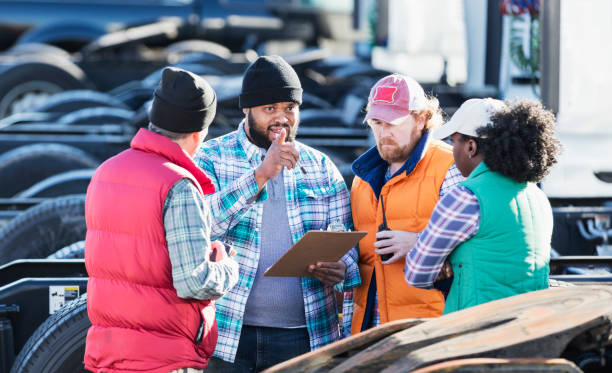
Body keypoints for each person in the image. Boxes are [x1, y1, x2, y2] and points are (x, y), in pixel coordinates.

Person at [194, 55, 360, 371]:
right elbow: (203, 226)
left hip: (305, 338)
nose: (281, 118)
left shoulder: (321, 168)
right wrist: (261, 174)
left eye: (289, 108)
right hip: (230, 336)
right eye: (269, 109)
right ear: (247, 110)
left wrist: (340, 271)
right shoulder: (211, 157)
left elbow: (347, 247)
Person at [83, 67, 239, 373]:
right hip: (163, 360)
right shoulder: (178, 185)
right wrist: (227, 266)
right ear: (199, 132)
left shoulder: (105, 172)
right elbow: (194, 281)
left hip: (108, 356)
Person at [405, 98, 561, 314]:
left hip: (476, 331)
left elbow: (416, 272)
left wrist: (448, 266)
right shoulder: (537, 196)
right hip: (531, 329)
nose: (452, 150)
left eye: (454, 141)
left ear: (471, 146)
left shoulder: (465, 197)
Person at [344, 73, 464, 336]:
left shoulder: (450, 167)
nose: (383, 133)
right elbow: (360, 258)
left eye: (392, 123)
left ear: (422, 119)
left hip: (429, 333)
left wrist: (420, 244)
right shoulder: (361, 180)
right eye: (376, 122)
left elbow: (475, 248)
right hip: (367, 334)